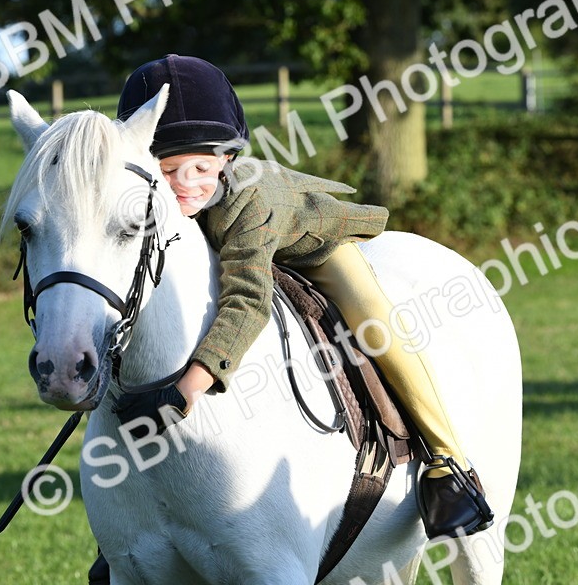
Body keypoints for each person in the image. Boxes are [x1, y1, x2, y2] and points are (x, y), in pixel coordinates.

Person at [90, 55, 491, 583]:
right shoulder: (149, 208)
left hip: (312, 245)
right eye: (166, 171)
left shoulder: (247, 199)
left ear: (228, 159)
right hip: (226, 248)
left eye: (202, 169)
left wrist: (187, 388)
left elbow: (246, 301)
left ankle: (446, 461)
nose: (185, 186)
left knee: (377, 325)